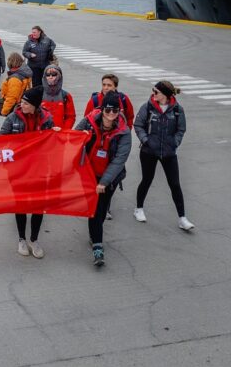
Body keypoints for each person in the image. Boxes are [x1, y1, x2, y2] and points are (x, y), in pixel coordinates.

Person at [75, 92, 132, 266]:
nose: (111, 114)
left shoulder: (124, 132)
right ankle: (98, 249)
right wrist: (73, 134)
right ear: (102, 109)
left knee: (101, 209)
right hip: (90, 175)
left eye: (115, 110)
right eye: (108, 110)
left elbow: (119, 160)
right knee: (96, 210)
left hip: (109, 178)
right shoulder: (89, 121)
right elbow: (73, 137)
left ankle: (94, 234)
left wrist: (104, 182)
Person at [0, 86, 56, 258]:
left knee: (38, 205)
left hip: (40, 169)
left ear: (34, 105)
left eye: (25, 103)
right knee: (21, 204)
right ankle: (22, 239)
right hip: (19, 170)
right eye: (22, 102)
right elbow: (1, 139)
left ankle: (34, 240)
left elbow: (53, 142)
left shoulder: (46, 119)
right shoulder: (13, 118)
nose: (21, 105)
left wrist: (56, 134)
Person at [133, 81, 193, 230]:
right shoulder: (147, 107)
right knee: (147, 180)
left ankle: (182, 218)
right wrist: (146, 141)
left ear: (165, 95)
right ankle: (139, 209)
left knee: (175, 184)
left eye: (156, 92)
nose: (153, 94)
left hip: (169, 152)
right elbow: (138, 125)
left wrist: (175, 142)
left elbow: (181, 129)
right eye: (153, 91)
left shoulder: (177, 110)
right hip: (149, 151)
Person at [40, 65, 76, 129]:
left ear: (59, 76)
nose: (50, 77)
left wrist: (64, 130)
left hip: (59, 133)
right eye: (48, 75)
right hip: (43, 134)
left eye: (54, 74)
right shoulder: (38, 94)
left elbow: (71, 117)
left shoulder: (66, 96)